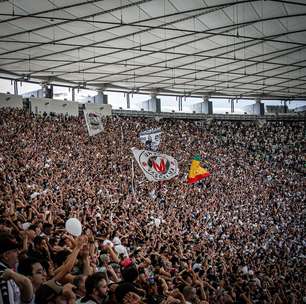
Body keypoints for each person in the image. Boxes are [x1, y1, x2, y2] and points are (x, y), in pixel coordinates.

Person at [0, 233, 34, 304]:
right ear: (6, 255)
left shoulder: (8, 272)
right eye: (15, 251)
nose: (18, 253)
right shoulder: (5, 277)